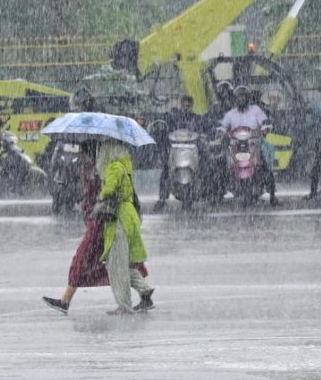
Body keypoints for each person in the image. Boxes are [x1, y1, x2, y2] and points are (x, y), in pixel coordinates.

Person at [42, 141, 152, 315]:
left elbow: (102, 194)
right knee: (116, 264)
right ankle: (144, 291)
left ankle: (66, 300)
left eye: (84, 154)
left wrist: (92, 187)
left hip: (103, 223)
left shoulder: (104, 171)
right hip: (106, 221)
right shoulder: (109, 168)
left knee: (84, 260)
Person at [96, 141, 154, 314]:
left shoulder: (114, 167)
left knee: (116, 265)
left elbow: (108, 191)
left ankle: (124, 305)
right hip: (129, 215)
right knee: (122, 263)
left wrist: (102, 189)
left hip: (119, 218)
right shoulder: (125, 165)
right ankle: (143, 289)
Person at [219, 85, 279, 206]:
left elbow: (265, 122)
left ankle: (273, 195)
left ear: (247, 98)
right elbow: (222, 126)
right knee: (220, 164)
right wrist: (220, 133)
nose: (241, 99)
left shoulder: (256, 110)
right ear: (235, 99)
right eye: (239, 97)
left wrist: (265, 129)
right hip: (235, 144)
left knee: (265, 164)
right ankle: (217, 194)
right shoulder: (230, 114)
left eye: (243, 96)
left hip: (253, 143)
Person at [154, 95, 205, 211]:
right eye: (184, 105)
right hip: (175, 149)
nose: (186, 108)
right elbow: (165, 129)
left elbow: (203, 131)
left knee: (204, 166)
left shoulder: (197, 119)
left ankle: (208, 194)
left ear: (192, 106)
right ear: (181, 105)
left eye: (188, 105)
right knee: (166, 169)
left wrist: (204, 137)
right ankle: (162, 199)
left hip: (192, 150)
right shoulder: (173, 118)